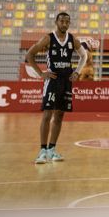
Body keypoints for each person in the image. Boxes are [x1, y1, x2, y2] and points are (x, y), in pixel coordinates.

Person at [26, 12, 88, 164]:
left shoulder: (72, 39)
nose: (65, 24)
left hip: (66, 80)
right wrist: (41, 73)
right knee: (47, 115)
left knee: (60, 115)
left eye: (67, 21)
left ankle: (52, 150)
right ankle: (42, 150)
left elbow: (84, 56)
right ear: (56, 22)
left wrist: (77, 72)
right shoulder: (48, 38)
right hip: (52, 80)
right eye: (62, 21)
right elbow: (30, 54)